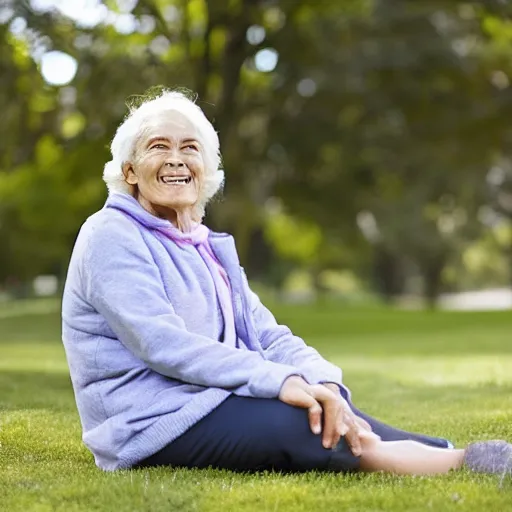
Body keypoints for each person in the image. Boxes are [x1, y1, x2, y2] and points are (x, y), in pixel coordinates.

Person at [61, 89, 512, 476]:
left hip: (207, 400)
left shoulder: (201, 243)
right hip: (149, 422)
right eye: (159, 147)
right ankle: (458, 462)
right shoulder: (110, 234)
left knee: (336, 410)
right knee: (303, 423)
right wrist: (281, 382)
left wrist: (321, 380)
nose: (176, 159)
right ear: (130, 171)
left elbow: (266, 333)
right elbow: (162, 344)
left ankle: (451, 454)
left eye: (190, 148)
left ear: (206, 169)